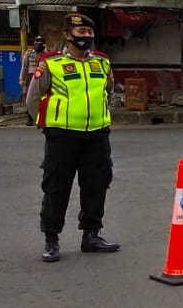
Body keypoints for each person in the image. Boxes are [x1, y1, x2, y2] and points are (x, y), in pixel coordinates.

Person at [26, 13, 120, 263]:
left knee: (96, 185)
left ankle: (91, 235)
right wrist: (46, 126)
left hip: (97, 135)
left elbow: (109, 92)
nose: (86, 37)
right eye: (81, 34)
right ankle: (51, 239)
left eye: (89, 33)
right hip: (62, 136)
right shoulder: (51, 64)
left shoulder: (102, 63)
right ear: (68, 36)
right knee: (57, 187)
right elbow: (33, 99)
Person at [20, 35, 46, 126]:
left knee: (41, 97)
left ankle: (41, 117)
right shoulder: (29, 53)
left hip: (42, 76)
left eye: (40, 43)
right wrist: (22, 79)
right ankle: (29, 118)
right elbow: (24, 66)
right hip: (30, 76)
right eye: (36, 43)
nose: (38, 45)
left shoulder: (46, 54)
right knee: (29, 97)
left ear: (44, 45)